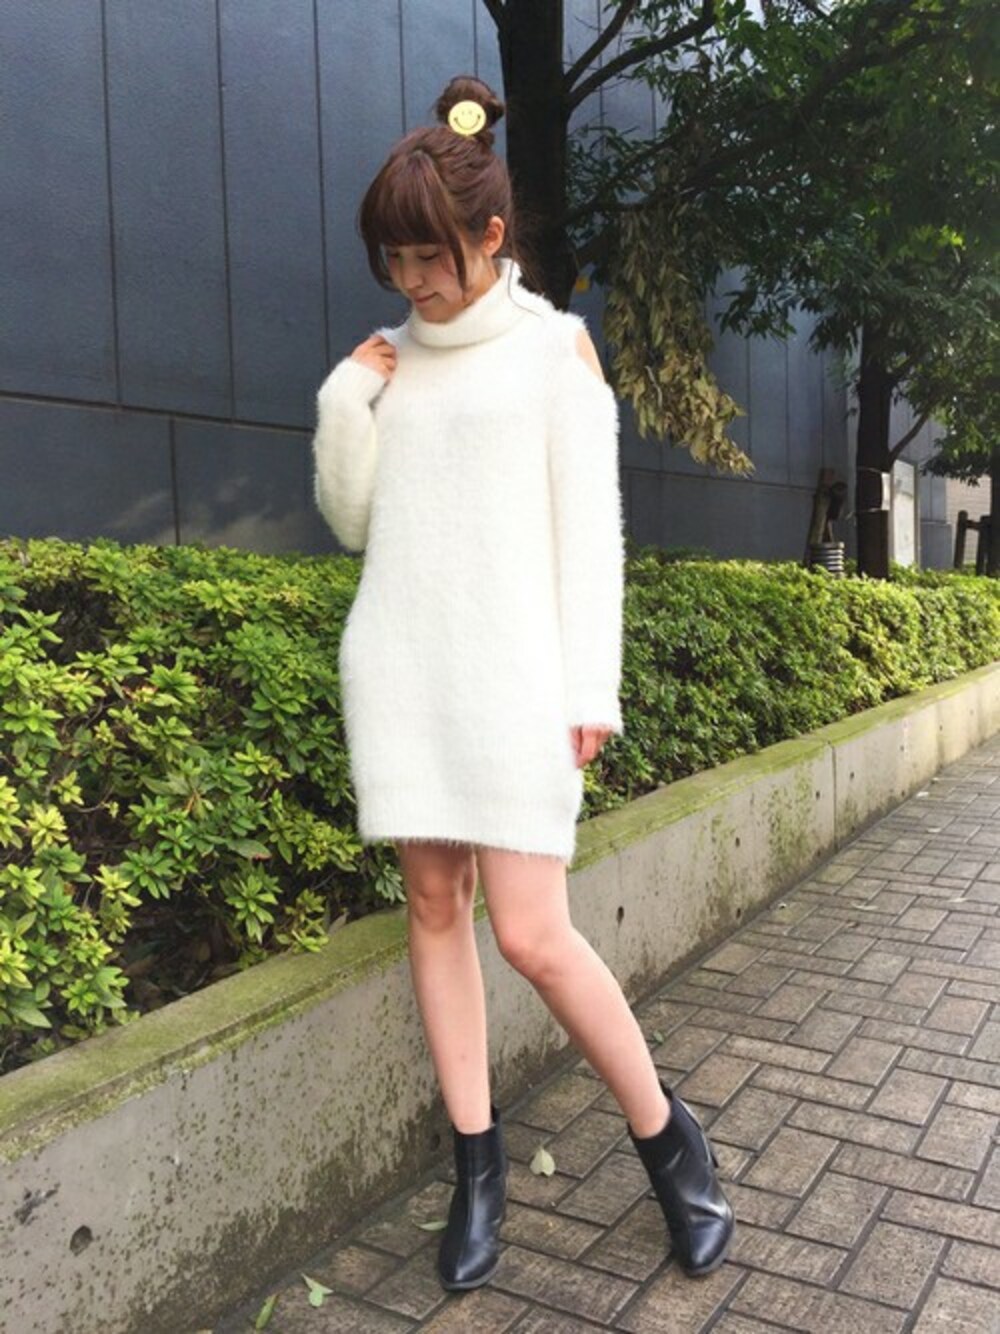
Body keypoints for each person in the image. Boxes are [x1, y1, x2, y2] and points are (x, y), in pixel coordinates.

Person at [311, 74, 734, 1293]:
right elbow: (352, 522)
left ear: (490, 235)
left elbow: (589, 534)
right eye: (393, 259)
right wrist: (347, 398)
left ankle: (669, 1143)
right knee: (433, 906)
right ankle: (478, 1169)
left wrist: (590, 684)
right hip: (404, 665)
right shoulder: (389, 360)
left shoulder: (556, 351)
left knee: (536, 932)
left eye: (427, 256)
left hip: (515, 678)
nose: (410, 280)